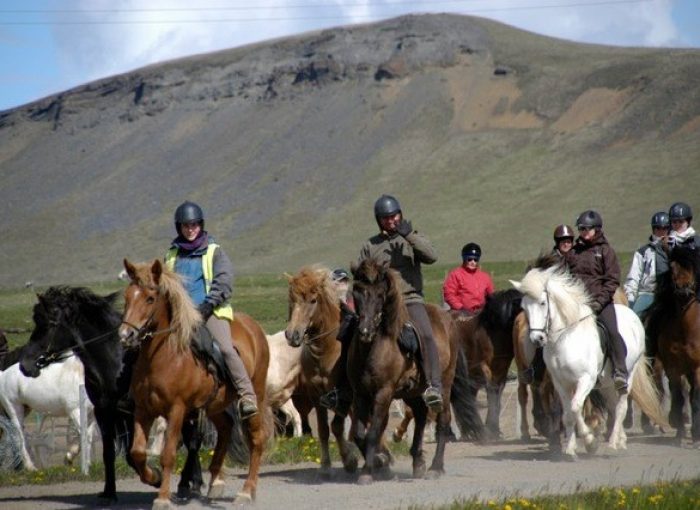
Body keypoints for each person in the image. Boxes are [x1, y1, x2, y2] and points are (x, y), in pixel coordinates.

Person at [165, 201, 258, 419]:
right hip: (180, 316)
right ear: (179, 227)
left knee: (225, 349)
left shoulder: (214, 251)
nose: (191, 229)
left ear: (201, 225)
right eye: (186, 226)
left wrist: (208, 304)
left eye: (195, 225)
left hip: (210, 312)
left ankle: (247, 395)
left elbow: (224, 281)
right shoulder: (171, 255)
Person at [359, 194, 443, 411]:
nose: (391, 221)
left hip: (409, 300)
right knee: (351, 333)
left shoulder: (412, 237)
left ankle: (434, 386)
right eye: (386, 218)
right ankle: (343, 389)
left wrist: (409, 237)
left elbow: (432, 256)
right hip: (380, 304)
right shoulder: (370, 245)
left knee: (426, 334)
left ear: (400, 215)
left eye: (394, 216)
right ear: (379, 220)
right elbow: (362, 275)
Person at [565, 209, 629, 393]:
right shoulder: (573, 252)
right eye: (581, 229)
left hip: (600, 303)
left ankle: (620, 372)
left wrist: (599, 302)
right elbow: (564, 274)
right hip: (576, 304)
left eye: (587, 229)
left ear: (597, 229)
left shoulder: (606, 251)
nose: (584, 232)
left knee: (612, 332)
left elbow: (612, 281)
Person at [624, 211, 670, 316]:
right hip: (647, 293)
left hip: (668, 294)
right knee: (635, 318)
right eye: (658, 228)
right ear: (653, 229)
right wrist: (630, 299)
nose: (661, 231)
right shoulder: (642, 252)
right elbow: (633, 277)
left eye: (664, 228)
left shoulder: (675, 249)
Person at [442, 242, 495, 315]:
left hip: (481, 314)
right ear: (464, 258)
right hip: (461, 314)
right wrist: (461, 308)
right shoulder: (455, 275)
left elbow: (492, 295)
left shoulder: (485, 277)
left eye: (475, 260)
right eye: (470, 259)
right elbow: (449, 295)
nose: (473, 262)